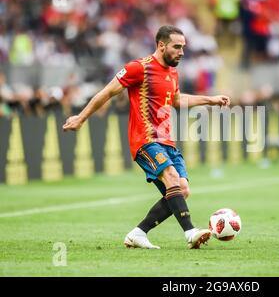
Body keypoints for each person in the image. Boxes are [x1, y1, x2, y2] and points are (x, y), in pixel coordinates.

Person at [63, 25, 230, 249]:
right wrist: (81, 118)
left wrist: (210, 100)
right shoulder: (138, 68)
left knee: (182, 189)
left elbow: (177, 100)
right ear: (161, 45)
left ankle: (138, 233)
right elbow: (107, 92)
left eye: (183, 47)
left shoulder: (172, 72)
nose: (181, 52)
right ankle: (190, 232)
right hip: (145, 140)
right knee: (171, 176)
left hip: (167, 141)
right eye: (177, 47)